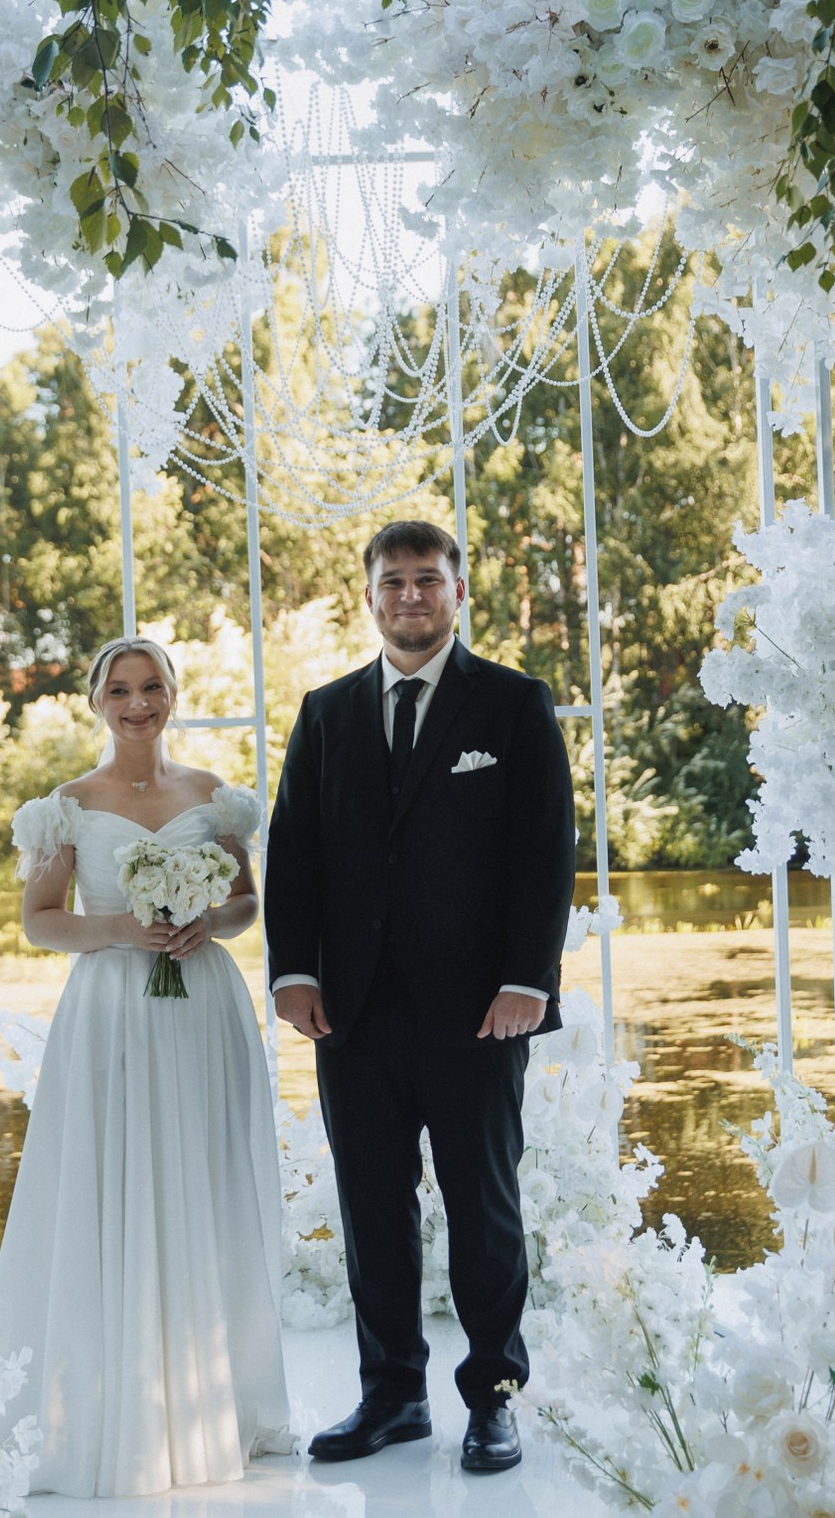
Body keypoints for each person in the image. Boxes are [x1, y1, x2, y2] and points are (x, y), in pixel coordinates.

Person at [266, 519, 576, 1476]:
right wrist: (294, 972)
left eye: (427, 580)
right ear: (370, 596)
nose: (410, 595)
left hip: (480, 1010)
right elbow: (295, 854)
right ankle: (392, 1394)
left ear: (458, 591)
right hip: (352, 1013)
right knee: (372, 1206)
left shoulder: (515, 705)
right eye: (393, 581)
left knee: (484, 1205)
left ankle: (495, 1399)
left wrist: (529, 980)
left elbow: (544, 852)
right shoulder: (325, 713)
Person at [0, 636, 293, 1497]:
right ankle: (111, 1407)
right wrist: (124, 928)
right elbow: (40, 921)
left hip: (203, 1012)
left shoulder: (213, 797)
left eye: (152, 686)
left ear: (172, 695)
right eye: (120, 688)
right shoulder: (67, 806)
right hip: (114, 1013)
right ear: (96, 701)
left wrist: (208, 921)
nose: (138, 702)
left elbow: (244, 901)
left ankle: (211, 1398)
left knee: (203, 1181)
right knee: (115, 1182)